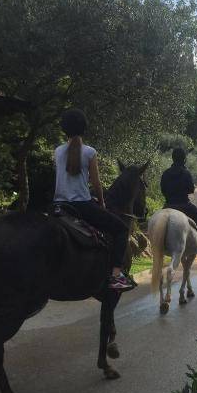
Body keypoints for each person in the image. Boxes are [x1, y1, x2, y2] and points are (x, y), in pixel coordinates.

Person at [53, 109, 135, 292]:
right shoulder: (89, 152)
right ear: (84, 128)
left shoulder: (58, 151)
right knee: (121, 229)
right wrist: (102, 203)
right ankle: (116, 276)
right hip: (81, 205)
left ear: (64, 129)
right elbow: (96, 183)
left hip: (58, 205)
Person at [160, 148, 197, 255]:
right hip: (184, 205)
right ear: (184, 159)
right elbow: (190, 190)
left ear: (172, 158)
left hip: (168, 205)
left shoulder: (166, 173)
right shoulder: (186, 173)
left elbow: (163, 190)